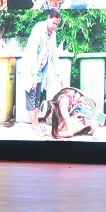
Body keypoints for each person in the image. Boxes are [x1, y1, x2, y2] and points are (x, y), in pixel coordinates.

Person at [22, 8, 62, 136]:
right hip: (31, 68)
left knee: (38, 96)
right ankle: (34, 127)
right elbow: (32, 52)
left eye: (57, 24)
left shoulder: (53, 34)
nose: (55, 26)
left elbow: (54, 53)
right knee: (31, 95)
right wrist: (34, 75)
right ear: (48, 18)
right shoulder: (38, 29)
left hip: (41, 69)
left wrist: (58, 74)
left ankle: (37, 124)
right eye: (53, 23)